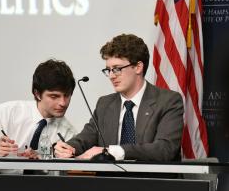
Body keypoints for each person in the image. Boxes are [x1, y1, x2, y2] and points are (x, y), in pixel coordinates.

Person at [54, 34, 184, 161]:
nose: (111, 76)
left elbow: (165, 149)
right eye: (108, 70)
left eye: (117, 69)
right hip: (108, 181)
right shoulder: (104, 104)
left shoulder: (168, 101)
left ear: (138, 67)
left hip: (152, 181)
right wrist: (69, 147)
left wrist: (112, 152)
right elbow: (86, 138)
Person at [0, 59, 77, 159]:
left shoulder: (68, 132)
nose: (63, 103)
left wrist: (43, 162)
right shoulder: (8, 112)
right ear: (37, 94)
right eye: (54, 96)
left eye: (67, 95)